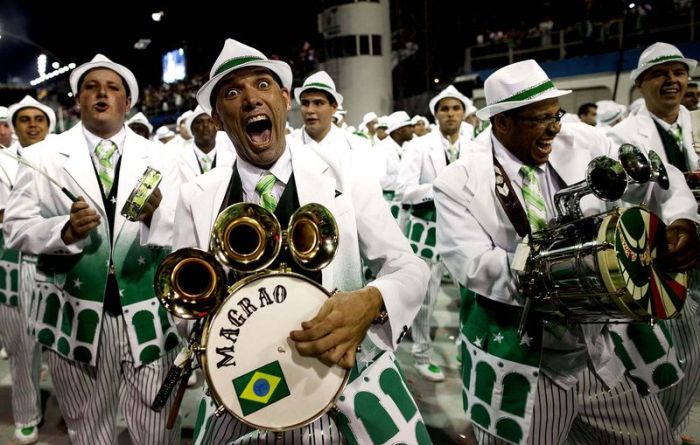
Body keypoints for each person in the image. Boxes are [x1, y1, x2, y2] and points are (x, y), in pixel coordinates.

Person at [173, 38, 430, 445]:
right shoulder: (195, 197)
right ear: (217, 118)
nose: (251, 99)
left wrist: (372, 301)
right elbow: (184, 310)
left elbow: (410, 267)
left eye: (263, 84)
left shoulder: (345, 174)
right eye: (232, 92)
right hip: (251, 390)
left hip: (347, 386)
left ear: (284, 98)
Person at [434, 58, 699, 444]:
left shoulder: (585, 142)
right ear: (502, 122)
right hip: (528, 364)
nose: (555, 127)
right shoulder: (458, 181)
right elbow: (472, 265)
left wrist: (681, 219)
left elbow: (657, 174)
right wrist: (569, 270)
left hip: (602, 351)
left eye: (555, 114)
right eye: (539, 118)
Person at [3, 54, 183, 445]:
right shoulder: (40, 157)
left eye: (112, 87)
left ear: (128, 101)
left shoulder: (165, 158)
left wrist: (157, 218)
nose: (102, 93)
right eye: (91, 87)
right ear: (77, 99)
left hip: (148, 312)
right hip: (73, 315)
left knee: (156, 430)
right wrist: (63, 231)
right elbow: (15, 230)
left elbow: (184, 231)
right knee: (88, 428)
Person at [608, 42, 700, 442]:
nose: (673, 81)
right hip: (660, 254)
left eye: (679, 72)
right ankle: (667, 426)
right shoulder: (621, 137)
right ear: (640, 84)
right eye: (661, 73)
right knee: (670, 354)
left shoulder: (695, 122)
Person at [396, 84, 479, 382]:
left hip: (465, 231)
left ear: (464, 112)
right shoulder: (419, 146)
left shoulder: (475, 145)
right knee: (426, 297)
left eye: (456, 108)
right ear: (436, 114)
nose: (451, 114)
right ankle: (421, 354)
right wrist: (440, 189)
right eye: (444, 108)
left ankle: (465, 351)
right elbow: (403, 191)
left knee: (469, 295)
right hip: (426, 230)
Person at [0, 95, 56, 444]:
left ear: (49, 126)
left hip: (59, 267)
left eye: (39, 119)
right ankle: (26, 414)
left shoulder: (64, 162)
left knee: (68, 350)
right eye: (24, 119)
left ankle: (73, 411)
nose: (33, 125)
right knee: (21, 348)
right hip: (12, 268)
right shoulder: (4, 161)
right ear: (15, 127)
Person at [174, 105, 235, 181]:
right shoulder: (179, 159)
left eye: (210, 121)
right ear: (192, 129)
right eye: (199, 122)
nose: (206, 125)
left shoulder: (231, 159)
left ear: (216, 127)